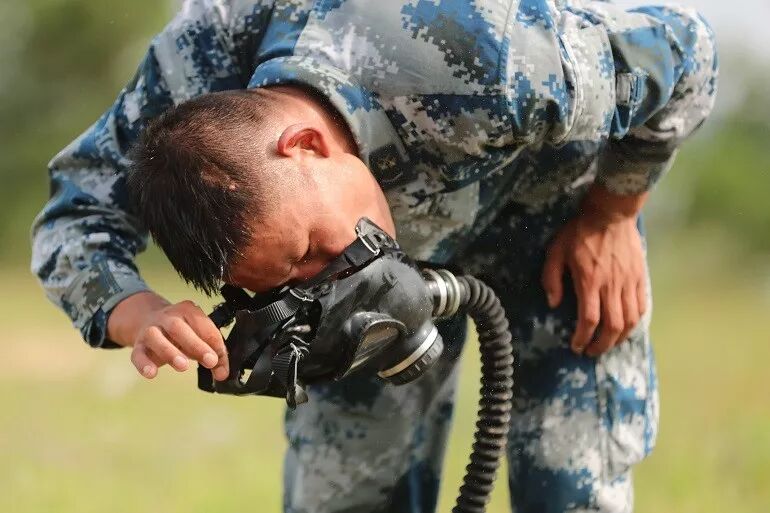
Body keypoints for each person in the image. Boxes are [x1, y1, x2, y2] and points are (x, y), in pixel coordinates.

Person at [30, 1, 718, 512]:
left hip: (554, 220)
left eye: (311, 249)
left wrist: (612, 213)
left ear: (305, 146)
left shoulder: (483, 53)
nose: (327, 279)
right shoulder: (195, 79)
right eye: (290, 280)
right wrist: (139, 311)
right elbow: (76, 214)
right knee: (349, 499)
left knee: (570, 487)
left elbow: (687, 50)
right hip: (403, 246)